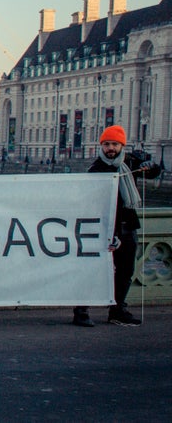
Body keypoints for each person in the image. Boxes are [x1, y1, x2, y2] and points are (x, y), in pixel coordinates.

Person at [72, 125, 162, 327]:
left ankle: (117, 310)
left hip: (128, 225)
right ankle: (81, 311)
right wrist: (109, 233)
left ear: (122, 145)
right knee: (92, 270)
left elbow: (154, 172)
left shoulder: (130, 163)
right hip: (104, 227)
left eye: (114, 144)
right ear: (101, 146)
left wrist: (152, 165)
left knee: (125, 271)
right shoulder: (96, 169)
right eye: (106, 144)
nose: (110, 148)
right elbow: (91, 203)